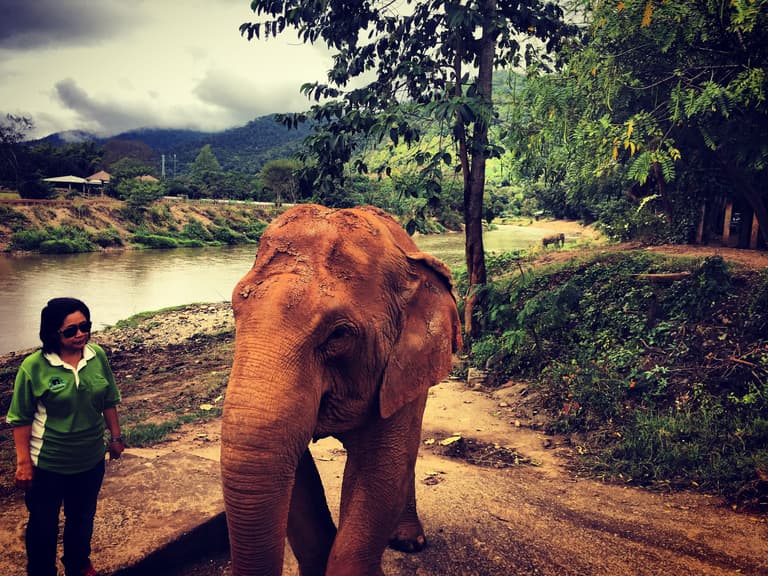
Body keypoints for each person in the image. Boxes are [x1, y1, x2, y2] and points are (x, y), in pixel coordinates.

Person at [6, 297, 124, 576]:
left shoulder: (98, 356)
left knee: (82, 518)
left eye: (85, 327)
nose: (80, 334)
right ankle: (41, 571)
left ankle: (78, 563)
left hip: (90, 459)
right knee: (43, 524)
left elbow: (108, 399)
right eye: (70, 331)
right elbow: (20, 419)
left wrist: (116, 437)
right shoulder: (34, 366)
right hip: (48, 464)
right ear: (52, 333)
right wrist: (23, 464)